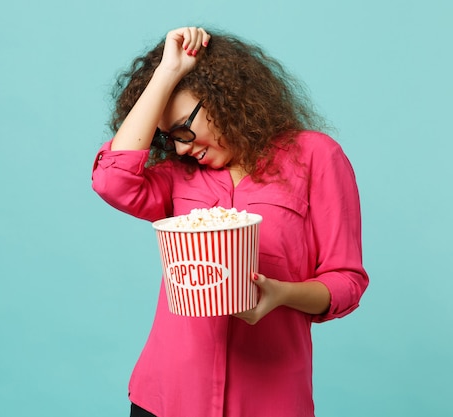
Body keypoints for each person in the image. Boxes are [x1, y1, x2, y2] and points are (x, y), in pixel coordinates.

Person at [91, 26, 369, 417]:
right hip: (168, 396)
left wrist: (281, 294)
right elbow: (113, 180)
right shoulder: (175, 174)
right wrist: (167, 72)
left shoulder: (315, 157)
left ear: (225, 102)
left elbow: (346, 281)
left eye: (186, 130)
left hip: (269, 398)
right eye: (169, 139)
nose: (183, 148)